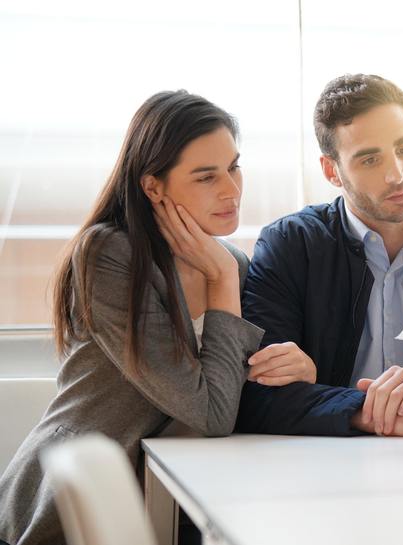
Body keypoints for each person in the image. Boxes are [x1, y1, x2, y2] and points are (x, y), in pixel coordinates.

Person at [0, 91, 263, 545]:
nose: (231, 191)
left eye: (233, 167)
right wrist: (220, 278)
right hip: (71, 508)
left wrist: (287, 366)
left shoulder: (233, 263)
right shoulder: (109, 255)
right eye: (205, 177)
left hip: (176, 499)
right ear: (153, 186)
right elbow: (210, 412)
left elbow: (231, 389)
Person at [234, 74, 403, 437]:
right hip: (333, 464)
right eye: (370, 160)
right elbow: (258, 397)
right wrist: (373, 413)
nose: (397, 174)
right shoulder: (291, 246)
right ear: (332, 171)